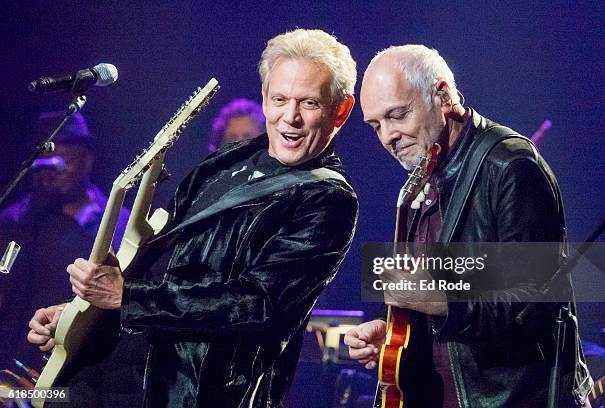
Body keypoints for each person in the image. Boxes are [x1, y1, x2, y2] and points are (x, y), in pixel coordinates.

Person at [28, 28, 358, 407]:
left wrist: (127, 297)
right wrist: (79, 317)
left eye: (309, 103)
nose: (290, 117)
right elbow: (154, 264)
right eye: (280, 99)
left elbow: (259, 303)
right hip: (109, 367)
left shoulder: (327, 198)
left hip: (185, 389)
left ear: (341, 111)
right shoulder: (223, 163)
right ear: (265, 99)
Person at [344, 45, 592, 407]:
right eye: (376, 125)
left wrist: (443, 300)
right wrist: (396, 332)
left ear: (443, 95)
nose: (387, 137)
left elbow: (535, 303)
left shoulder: (510, 165)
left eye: (397, 115)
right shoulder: (425, 173)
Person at [0, 112, 130, 370]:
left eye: (63, 159)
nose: (52, 170)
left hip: (79, 365)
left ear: (87, 158)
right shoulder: (13, 221)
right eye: (44, 161)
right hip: (14, 361)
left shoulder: (117, 221)